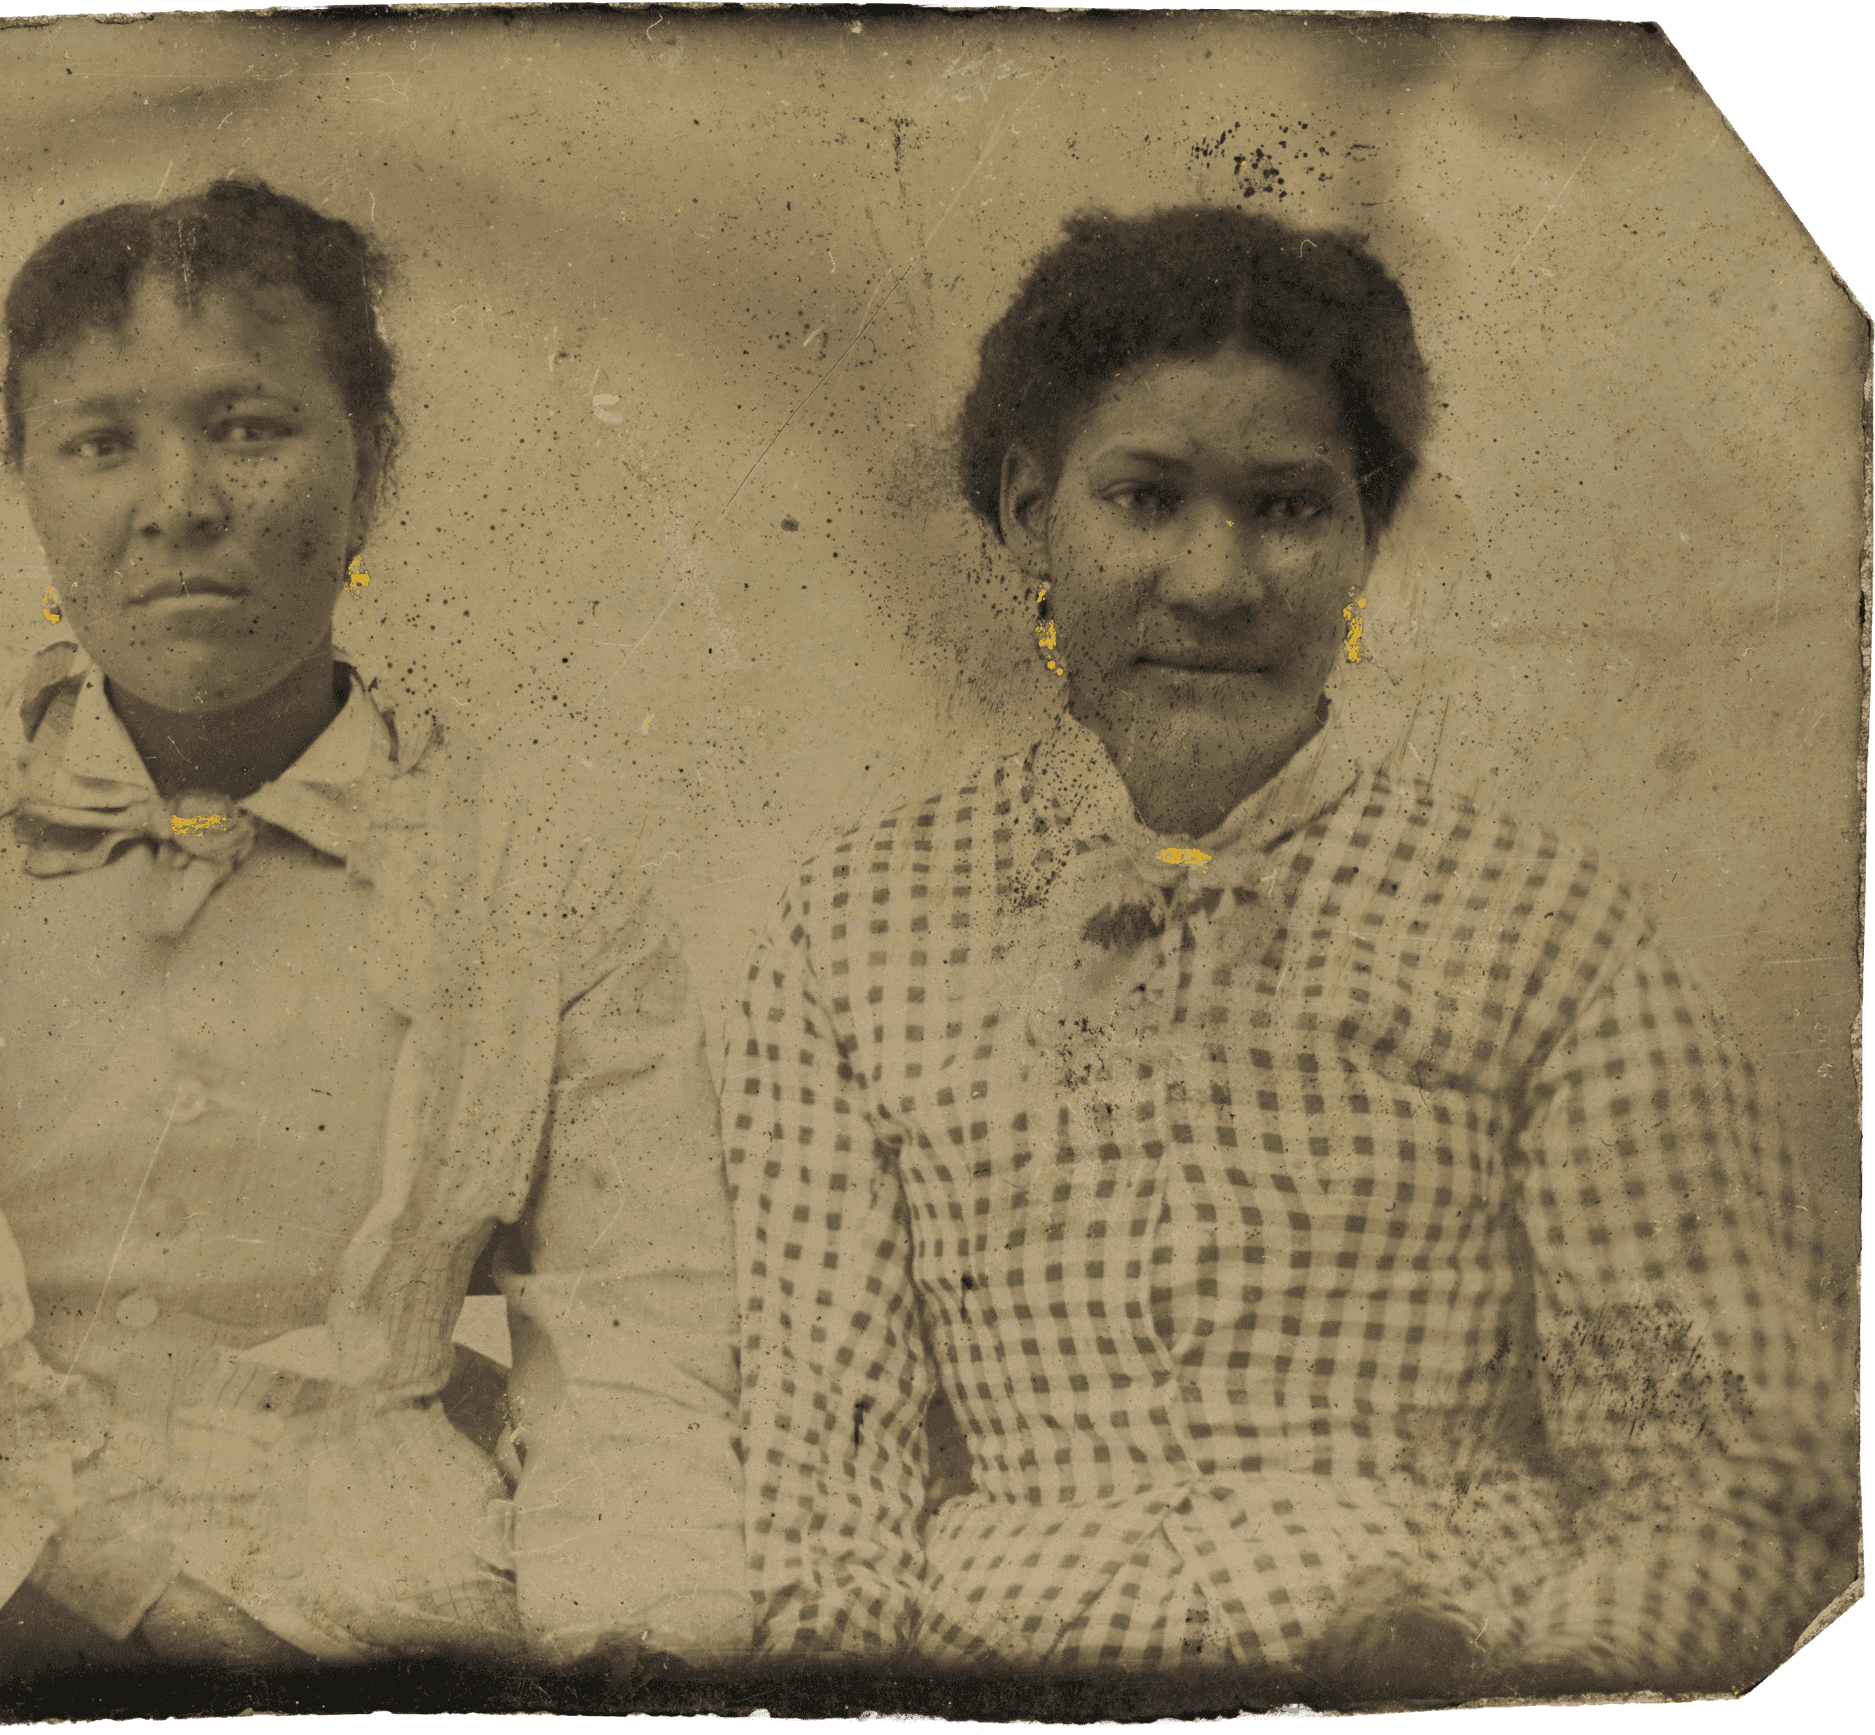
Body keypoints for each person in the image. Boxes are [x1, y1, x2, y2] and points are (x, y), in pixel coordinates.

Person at [0, 177, 747, 1684]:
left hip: (378, 1609)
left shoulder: (541, 863)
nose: (178, 504)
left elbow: (640, 1353)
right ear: (26, 478)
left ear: (372, 466)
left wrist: (635, 1649)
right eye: (100, 442)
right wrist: (75, 1622)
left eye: (249, 427)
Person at [724, 205, 1854, 1697]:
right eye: (1143, 499)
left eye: (1288, 507)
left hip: (1453, 1654)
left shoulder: (1537, 925)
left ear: (1366, 537)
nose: (1215, 580)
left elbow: (1711, 1469)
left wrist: (1552, 1685)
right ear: (1023, 515)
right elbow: (828, 1472)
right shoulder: (856, 930)